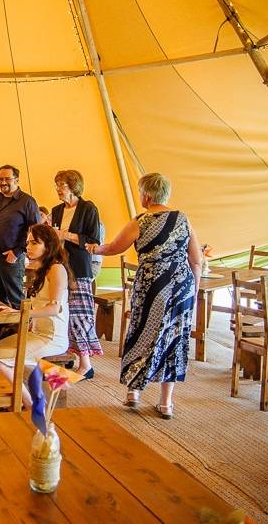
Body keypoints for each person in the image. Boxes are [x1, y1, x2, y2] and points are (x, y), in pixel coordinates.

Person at [87, 173, 202, 420]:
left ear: (147, 195)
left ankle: (133, 392)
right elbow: (197, 260)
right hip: (181, 287)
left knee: (142, 332)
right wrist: (194, 290)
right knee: (173, 338)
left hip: (151, 284)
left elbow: (115, 247)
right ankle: (166, 403)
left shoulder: (141, 221)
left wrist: (95, 248)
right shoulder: (183, 219)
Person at [0, 224, 70, 406]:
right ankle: (53, 378)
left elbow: (55, 309)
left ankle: (30, 405)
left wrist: (21, 314)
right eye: (27, 243)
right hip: (37, 333)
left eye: (34, 243)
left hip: (52, 337)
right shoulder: (41, 269)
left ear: (48, 246)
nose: (28, 247)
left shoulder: (57, 269)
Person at [51, 169, 103, 379]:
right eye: (56, 185)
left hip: (79, 268)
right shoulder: (56, 210)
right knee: (64, 312)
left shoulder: (88, 208)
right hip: (59, 265)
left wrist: (65, 235)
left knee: (80, 315)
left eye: (61, 185)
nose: (58, 189)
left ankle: (86, 364)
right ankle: (69, 356)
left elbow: (93, 241)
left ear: (73, 186)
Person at [0, 164, 40, 308]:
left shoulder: (27, 201)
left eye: (7, 179)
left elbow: (35, 231)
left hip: (11, 259)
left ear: (17, 180)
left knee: (16, 300)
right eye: (0, 179)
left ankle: (24, 328)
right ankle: (2, 330)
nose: (3, 183)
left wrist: (17, 251)